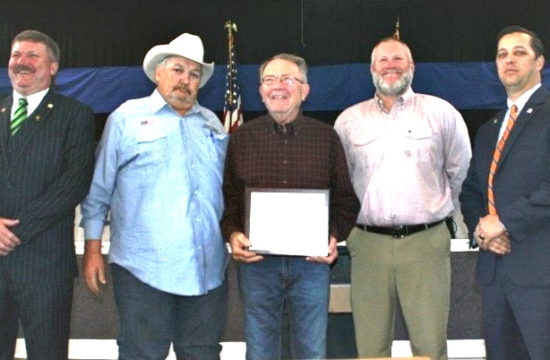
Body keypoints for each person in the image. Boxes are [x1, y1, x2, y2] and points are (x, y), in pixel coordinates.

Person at [80, 33, 229, 359]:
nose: (185, 80)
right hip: (143, 269)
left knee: (203, 353)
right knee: (142, 353)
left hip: (207, 270)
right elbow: (99, 190)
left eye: (194, 74)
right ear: (158, 73)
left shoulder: (213, 125)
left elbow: (226, 191)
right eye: (178, 70)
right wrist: (92, 247)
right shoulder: (125, 118)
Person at [334, 37, 471, 360]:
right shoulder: (348, 121)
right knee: (370, 346)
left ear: (412, 67)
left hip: (425, 243)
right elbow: (339, 184)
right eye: (383, 60)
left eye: (398, 59)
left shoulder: (441, 113)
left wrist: (437, 211)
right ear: (371, 69)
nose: (390, 65)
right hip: (367, 245)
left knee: (430, 344)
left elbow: (461, 172)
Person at [221, 53, 359, 360]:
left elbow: (346, 201)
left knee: (311, 351)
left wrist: (332, 236)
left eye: (287, 79)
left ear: (304, 90)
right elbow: (229, 198)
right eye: (269, 80)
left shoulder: (326, 138)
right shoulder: (241, 139)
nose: (277, 87)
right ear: (260, 90)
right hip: (257, 265)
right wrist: (232, 235)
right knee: (260, 352)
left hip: (310, 264)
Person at [0, 30, 96, 359]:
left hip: (45, 268)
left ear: (53, 67)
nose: (21, 63)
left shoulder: (75, 115)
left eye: (32, 56)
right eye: (16, 55)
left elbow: (74, 183)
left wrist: (14, 230)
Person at [460, 25, 550, 360]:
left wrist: (505, 222)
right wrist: (482, 230)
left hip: (540, 274)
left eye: (519, 52)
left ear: (539, 61)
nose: (508, 60)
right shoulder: (488, 129)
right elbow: (470, 192)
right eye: (502, 54)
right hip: (495, 274)